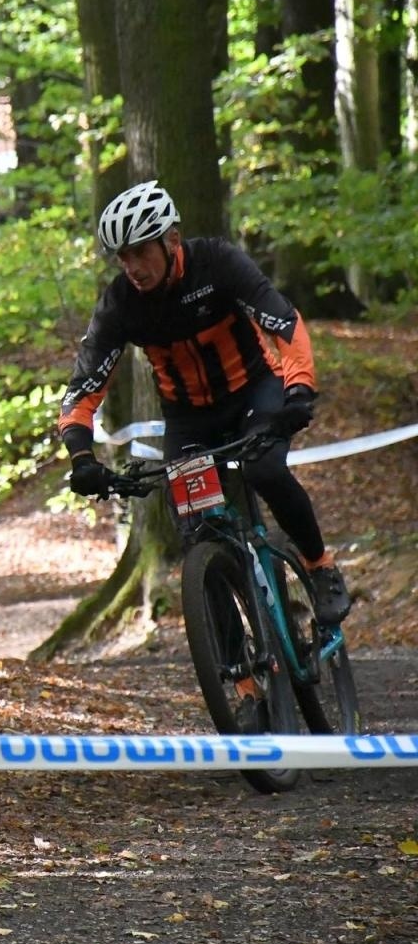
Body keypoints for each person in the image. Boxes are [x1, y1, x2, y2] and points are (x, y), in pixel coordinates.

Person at [58, 180, 352, 625]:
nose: (132, 266)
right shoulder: (120, 305)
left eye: (141, 251)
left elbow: (283, 323)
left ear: (171, 239)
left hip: (255, 391)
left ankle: (319, 565)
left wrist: (298, 390)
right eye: (122, 257)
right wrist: (82, 458)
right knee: (199, 536)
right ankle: (242, 678)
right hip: (188, 417)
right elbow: (82, 390)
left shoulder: (216, 262)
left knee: (265, 470)